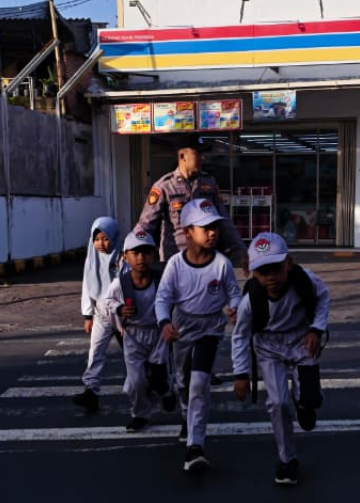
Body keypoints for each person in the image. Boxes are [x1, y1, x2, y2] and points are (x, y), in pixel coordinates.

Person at [231, 232, 330, 487]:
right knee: (277, 403)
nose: (271, 277)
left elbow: (323, 296)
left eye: (276, 268)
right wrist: (241, 374)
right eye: (263, 272)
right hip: (268, 347)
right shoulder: (250, 301)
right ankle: (287, 459)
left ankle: (306, 402)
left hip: (301, 340)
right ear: (253, 273)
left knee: (308, 398)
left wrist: (316, 329)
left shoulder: (304, 281)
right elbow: (240, 337)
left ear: (289, 263)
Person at [155, 197, 241, 473]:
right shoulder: (175, 265)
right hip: (182, 327)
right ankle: (185, 414)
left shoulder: (222, 264)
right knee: (181, 380)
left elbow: (234, 293)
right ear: (188, 231)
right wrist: (165, 322)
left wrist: (235, 309)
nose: (212, 232)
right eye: (205, 227)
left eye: (215, 226)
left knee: (198, 384)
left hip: (210, 329)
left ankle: (196, 445)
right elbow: (162, 298)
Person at [136, 139, 248, 269]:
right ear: (183, 156)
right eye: (198, 154)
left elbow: (225, 222)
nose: (203, 157)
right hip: (174, 260)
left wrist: (241, 250)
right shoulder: (165, 186)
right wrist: (132, 248)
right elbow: (146, 223)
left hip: (205, 258)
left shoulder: (209, 184)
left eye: (203, 154)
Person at [104, 228, 174, 431]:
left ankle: (166, 389)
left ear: (153, 255)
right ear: (125, 257)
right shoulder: (121, 284)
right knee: (136, 381)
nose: (140, 258)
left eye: (145, 252)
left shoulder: (161, 281)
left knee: (159, 372)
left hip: (158, 334)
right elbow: (107, 302)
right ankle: (140, 414)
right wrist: (119, 308)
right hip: (133, 335)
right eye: (135, 253)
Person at [72, 216, 123, 412]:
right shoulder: (91, 257)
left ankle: (151, 382)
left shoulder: (123, 256)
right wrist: (87, 315)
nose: (101, 244)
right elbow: (87, 285)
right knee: (95, 352)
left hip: (122, 312)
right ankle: (91, 391)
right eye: (97, 239)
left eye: (106, 238)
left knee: (133, 353)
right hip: (101, 312)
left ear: (114, 237)